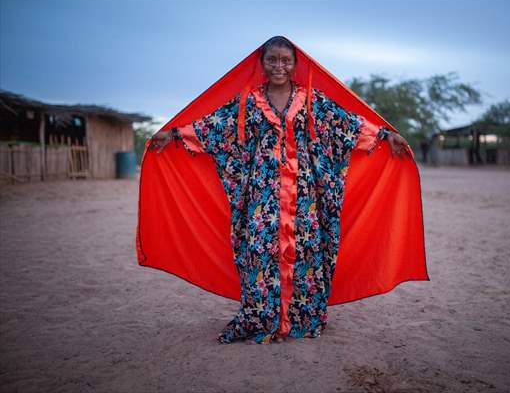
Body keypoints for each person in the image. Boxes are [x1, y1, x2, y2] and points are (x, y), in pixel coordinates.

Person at [147, 36, 416, 345]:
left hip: (303, 196)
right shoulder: (248, 101)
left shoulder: (312, 99)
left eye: (285, 60)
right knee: (259, 251)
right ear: (262, 64)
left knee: (304, 252)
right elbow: (214, 125)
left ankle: (301, 318)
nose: (279, 66)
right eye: (272, 59)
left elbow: (348, 124)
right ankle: (261, 317)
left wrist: (385, 135)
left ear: (295, 65)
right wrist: (175, 134)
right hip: (261, 194)